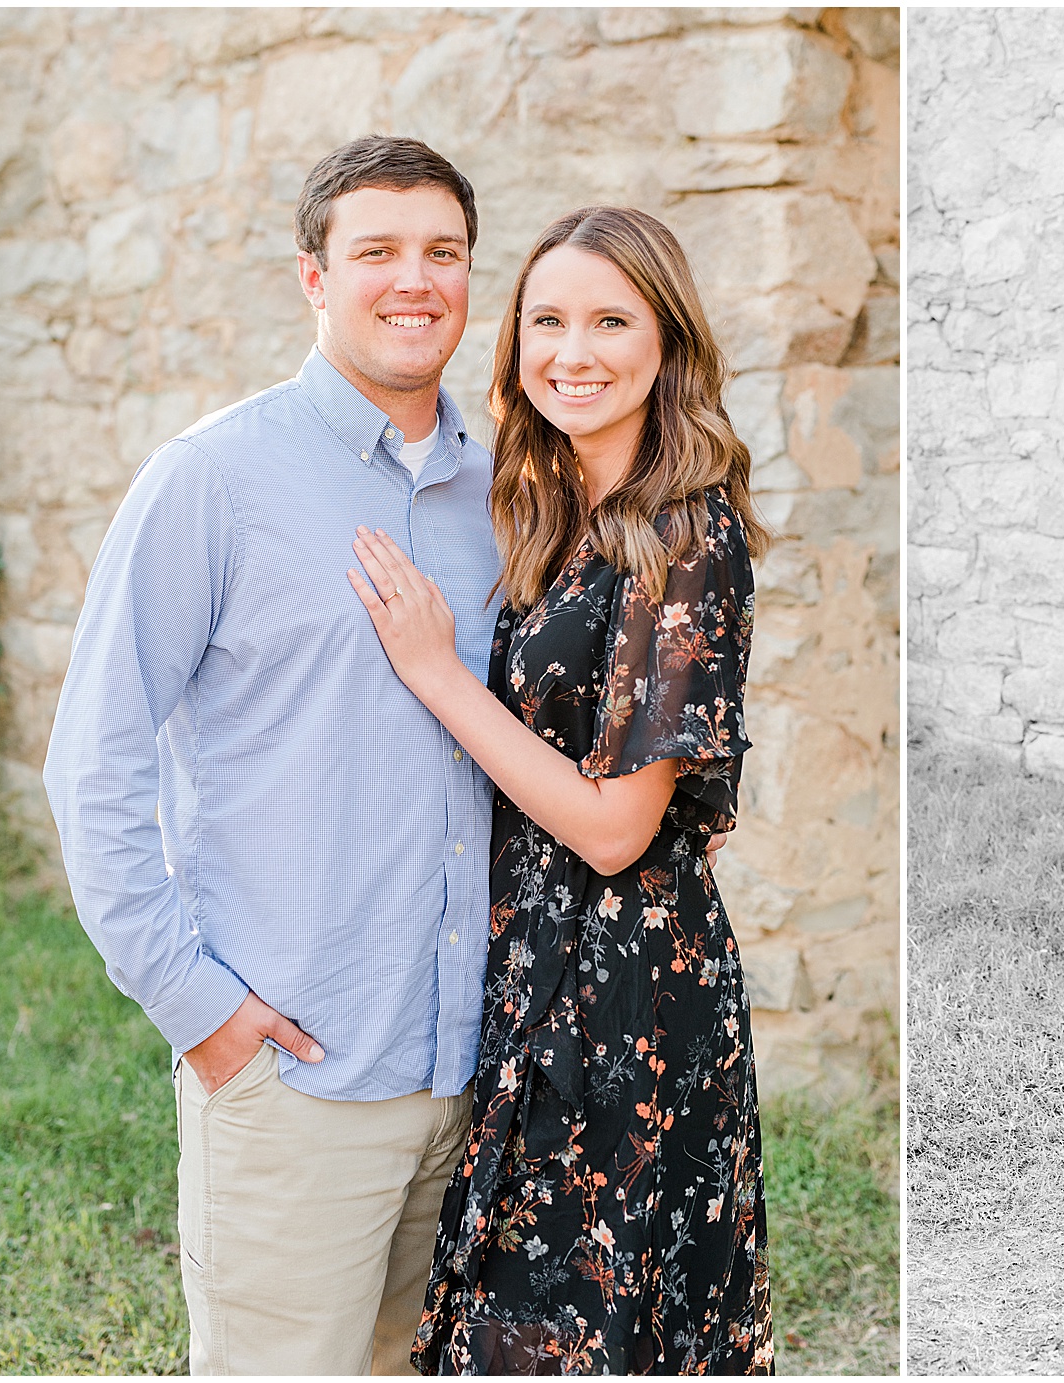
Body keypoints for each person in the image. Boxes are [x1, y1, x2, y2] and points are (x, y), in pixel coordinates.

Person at [43, 136, 502, 1373]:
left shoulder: (507, 490)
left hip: (473, 1075)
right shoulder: (214, 479)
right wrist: (197, 1009)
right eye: (378, 253)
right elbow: (94, 759)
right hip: (295, 1076)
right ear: (313, 277)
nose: (416, 280)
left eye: (443, 253)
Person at [346, 206, 774, 1374]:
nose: (572, 352)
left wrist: (436, 673)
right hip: (533, 964)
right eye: (547, 320)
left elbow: (612, 828)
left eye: (609, 321)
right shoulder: (549, 513)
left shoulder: (687, 533)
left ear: (666, 340)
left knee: (575, 1330)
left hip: (625, 988)